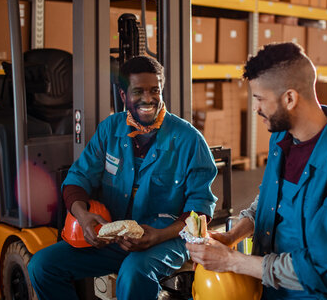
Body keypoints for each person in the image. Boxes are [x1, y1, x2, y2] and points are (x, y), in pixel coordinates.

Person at [187, 42, 327, 299]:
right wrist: (232, 235)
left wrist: (232, 261)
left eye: (260, 99)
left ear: (289, 98)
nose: (256, 108)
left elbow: (324, 270)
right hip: (273, 293)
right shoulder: (282, 138)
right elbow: (271, 201)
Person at [28, 55, 218, 300]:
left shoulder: (188, 139)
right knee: (42, 266)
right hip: (115, 239)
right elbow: (78, 178)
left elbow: (200, 210)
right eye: (138, 91)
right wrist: (83, 217)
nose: (148, 99)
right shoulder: (110, 130)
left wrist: (159, 236)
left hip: (167, 240)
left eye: (155, 90)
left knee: (133, 272)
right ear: (123, 96)